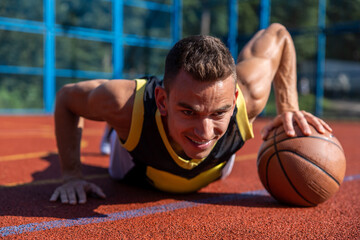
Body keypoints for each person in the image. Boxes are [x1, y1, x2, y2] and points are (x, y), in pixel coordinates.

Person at [50, 23, 331, 205]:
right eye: (189, 111)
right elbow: (66, 99)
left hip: (212, 170)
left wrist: (289, 107)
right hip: (131, 168)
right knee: (122, 117)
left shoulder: (250, 94)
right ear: (161, 100)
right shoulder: (123, 104)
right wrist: (71, 175)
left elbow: (279, 34)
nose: (205, 132)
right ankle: (114, 131)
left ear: (234, 100)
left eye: (220, 112)